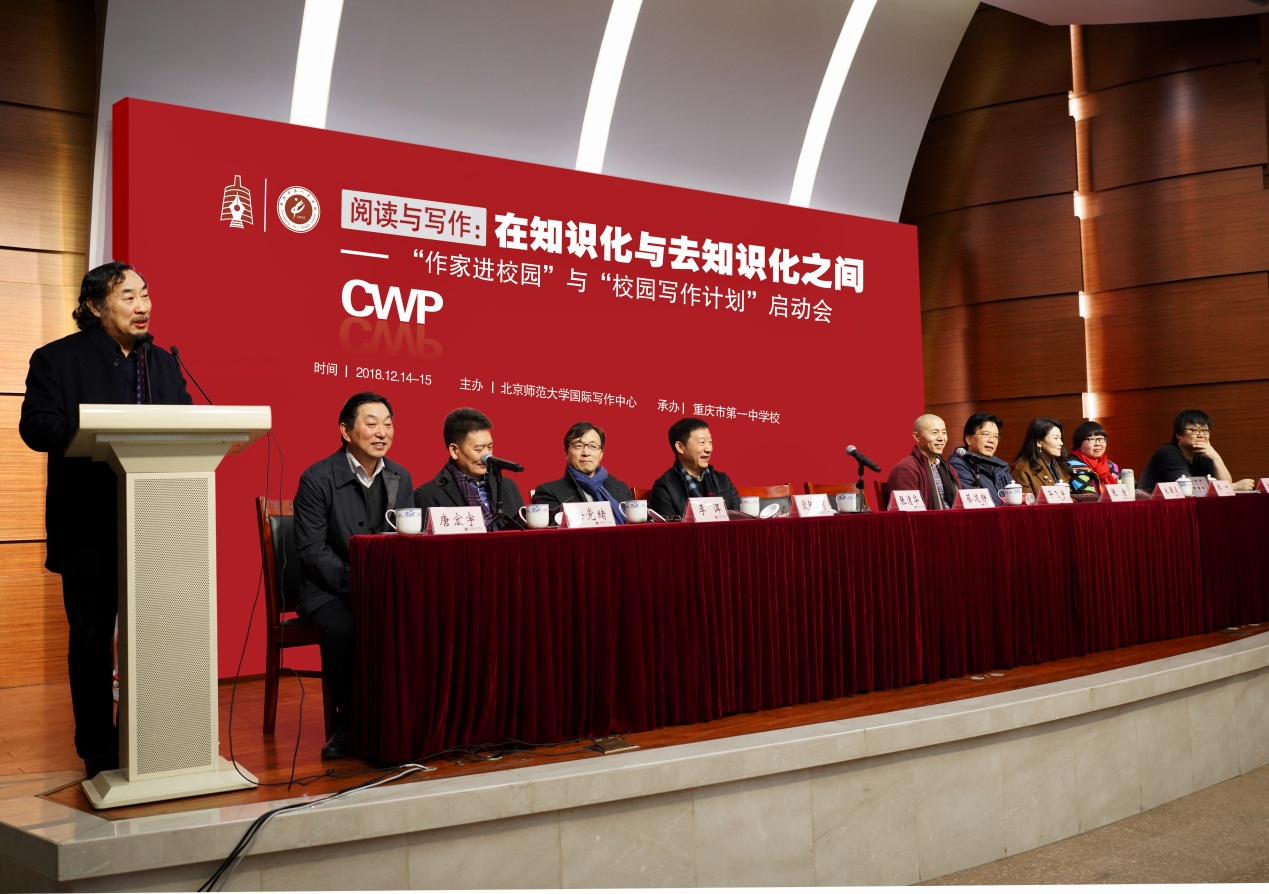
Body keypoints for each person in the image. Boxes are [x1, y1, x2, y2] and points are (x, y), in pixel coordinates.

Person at [19, 261, 192, 779]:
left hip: (155, 525)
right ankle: (97, 749)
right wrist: (96, 426)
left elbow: (188, 425)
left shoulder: (162, 363)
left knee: (157, 638)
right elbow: (36, 427)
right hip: (88, 526)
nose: (142, 307)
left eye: (146, 295)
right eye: (128, 296)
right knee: (93, 641)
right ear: (95, 306)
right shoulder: (56, 359)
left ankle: (156, 737)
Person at [293, 392, 413, 760]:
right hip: (328, 591)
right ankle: (346, 724)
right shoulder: (317, 478)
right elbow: (313, 550)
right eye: (371, 423)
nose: (382, 432)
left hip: (381, 588)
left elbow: (407, 541)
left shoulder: (400, 477)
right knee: (343, 627)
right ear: (346, 431)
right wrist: (358, 585)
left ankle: (403, 718)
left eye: (388, 424)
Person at [414, 407, 524, 529]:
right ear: (454, 450)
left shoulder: (509, 487)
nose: (487, 456)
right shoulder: (428, 495)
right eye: (479, 449)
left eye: (489, 447)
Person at [532, 421, 633, 522]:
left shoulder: (620, 488)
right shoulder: (549, 492)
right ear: (566, 453)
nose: (586, 453)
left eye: (593, 446)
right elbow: (556, 529)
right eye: (578, 446)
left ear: (601, 454)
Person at [1138, 410, 1255, 493]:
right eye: (1194, 430)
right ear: (1178, 434)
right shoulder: (1168, 453)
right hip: (1151, 506)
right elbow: (1189, 488)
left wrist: (1216, 457)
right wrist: (1233, 487)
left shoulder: (1203, 453)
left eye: (1205, 430)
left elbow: (1225, 484)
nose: (1201, 435)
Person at [648, 417, 740, 519]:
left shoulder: (723, 481)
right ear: (680, 447)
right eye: (702, 442)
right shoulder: (665, 488)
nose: (709, 449)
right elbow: (669, 528)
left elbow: (738, 520)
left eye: (710, 442)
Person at [887, 413, 961, 509]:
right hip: (929, 518)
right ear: (917, 437)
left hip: (953, 517)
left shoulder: (947, 467)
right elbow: (908, 512)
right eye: (934, 433)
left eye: (944, 433)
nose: (941, 438)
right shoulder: (906, 469)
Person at [947, 413, 1013, 504]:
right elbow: (972, 501)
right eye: (986, 434)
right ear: (969, 439)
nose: (991, 440)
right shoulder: (958, 464)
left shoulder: (1001, 466)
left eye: (995, 436)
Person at [1010, 417, 1073, 496]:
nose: (1061, 443)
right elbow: (1025, 501)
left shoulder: (1060, 466)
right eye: (1055, 438)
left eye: (1060, 438)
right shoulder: (1023, 468)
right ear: (1039, 442)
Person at [1067, 421, 1120, 496]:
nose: (1098, 444)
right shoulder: (1072, 467)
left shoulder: (1111, 466)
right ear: (1078, 443)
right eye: (1091, 439)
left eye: (1101, 439)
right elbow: (1088, 496)